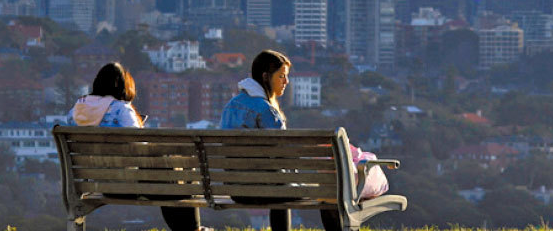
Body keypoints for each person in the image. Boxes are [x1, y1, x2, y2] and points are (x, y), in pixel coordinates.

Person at [65, 62, 212, 231]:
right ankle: (194, 229)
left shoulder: (75, 112)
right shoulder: (122, 110)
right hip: (130, 185)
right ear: (122, 86)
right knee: (178, 175)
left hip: (100, 185)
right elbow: (142, 151)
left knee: (173, 177)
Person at [221, 49, 345, 231]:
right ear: (265, 77)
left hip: (236, 190)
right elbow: (284, 156)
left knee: (281, 181)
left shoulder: (230, 106)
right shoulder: (267, 111)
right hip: (269, 189)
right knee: (329, 191)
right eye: (281, 76)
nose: (286, 81)